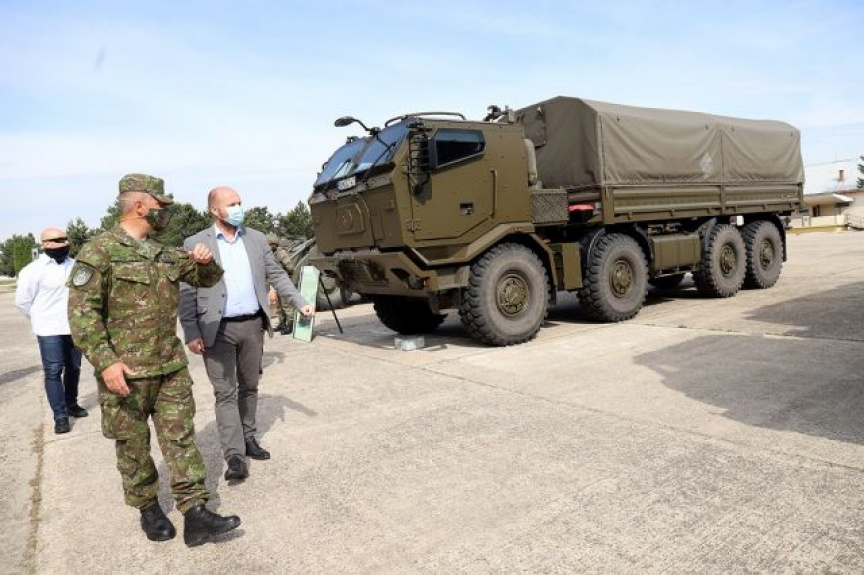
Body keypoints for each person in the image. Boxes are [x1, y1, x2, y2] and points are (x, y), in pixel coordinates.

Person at [67, 174, 241, 547]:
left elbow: (208, 278)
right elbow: (83, 316)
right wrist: (106, 362)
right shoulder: (99, 252)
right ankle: (148, 507)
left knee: (181, 439)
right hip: (126, 373)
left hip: (170, 368)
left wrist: (205, 261)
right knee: (133, 446)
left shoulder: (164, 252)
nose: (166, 212)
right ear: (140, 206)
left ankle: (196, 513)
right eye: (161, 206)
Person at [179, 186, 312, 484]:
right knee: (225, 392)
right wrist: (191, 330)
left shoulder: (256, 239)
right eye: (231, 204)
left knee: (250, 386)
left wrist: (299, 302)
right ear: (214, 210)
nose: (238, 208)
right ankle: (235, 456)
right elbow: (187, 290)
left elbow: (276, 274)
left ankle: (249, 437)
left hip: (252, 325)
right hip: (216, 328)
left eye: (239, 202)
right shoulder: (195, 243)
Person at [15, 228, 87, 434]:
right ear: (45, 244)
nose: (63, 243)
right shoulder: (32, 271)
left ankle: (71, 404)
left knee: (74, 368)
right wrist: (39, 319)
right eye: (57, 240)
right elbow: (22, 302)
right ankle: (60, 416)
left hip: (74, 327)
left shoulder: (76, 266)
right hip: (48, 330)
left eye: (65, 239)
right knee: (54, 371)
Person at [266, 233, 298, 335]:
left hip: (283, 282)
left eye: (270, 244)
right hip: (275, 282)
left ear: (274, 244)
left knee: (286, 304)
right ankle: (282, 322)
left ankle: (290, 324)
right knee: (279, 305)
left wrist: (286, 276)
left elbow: (290, 267)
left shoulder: (281, 253)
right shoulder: (271, 254)